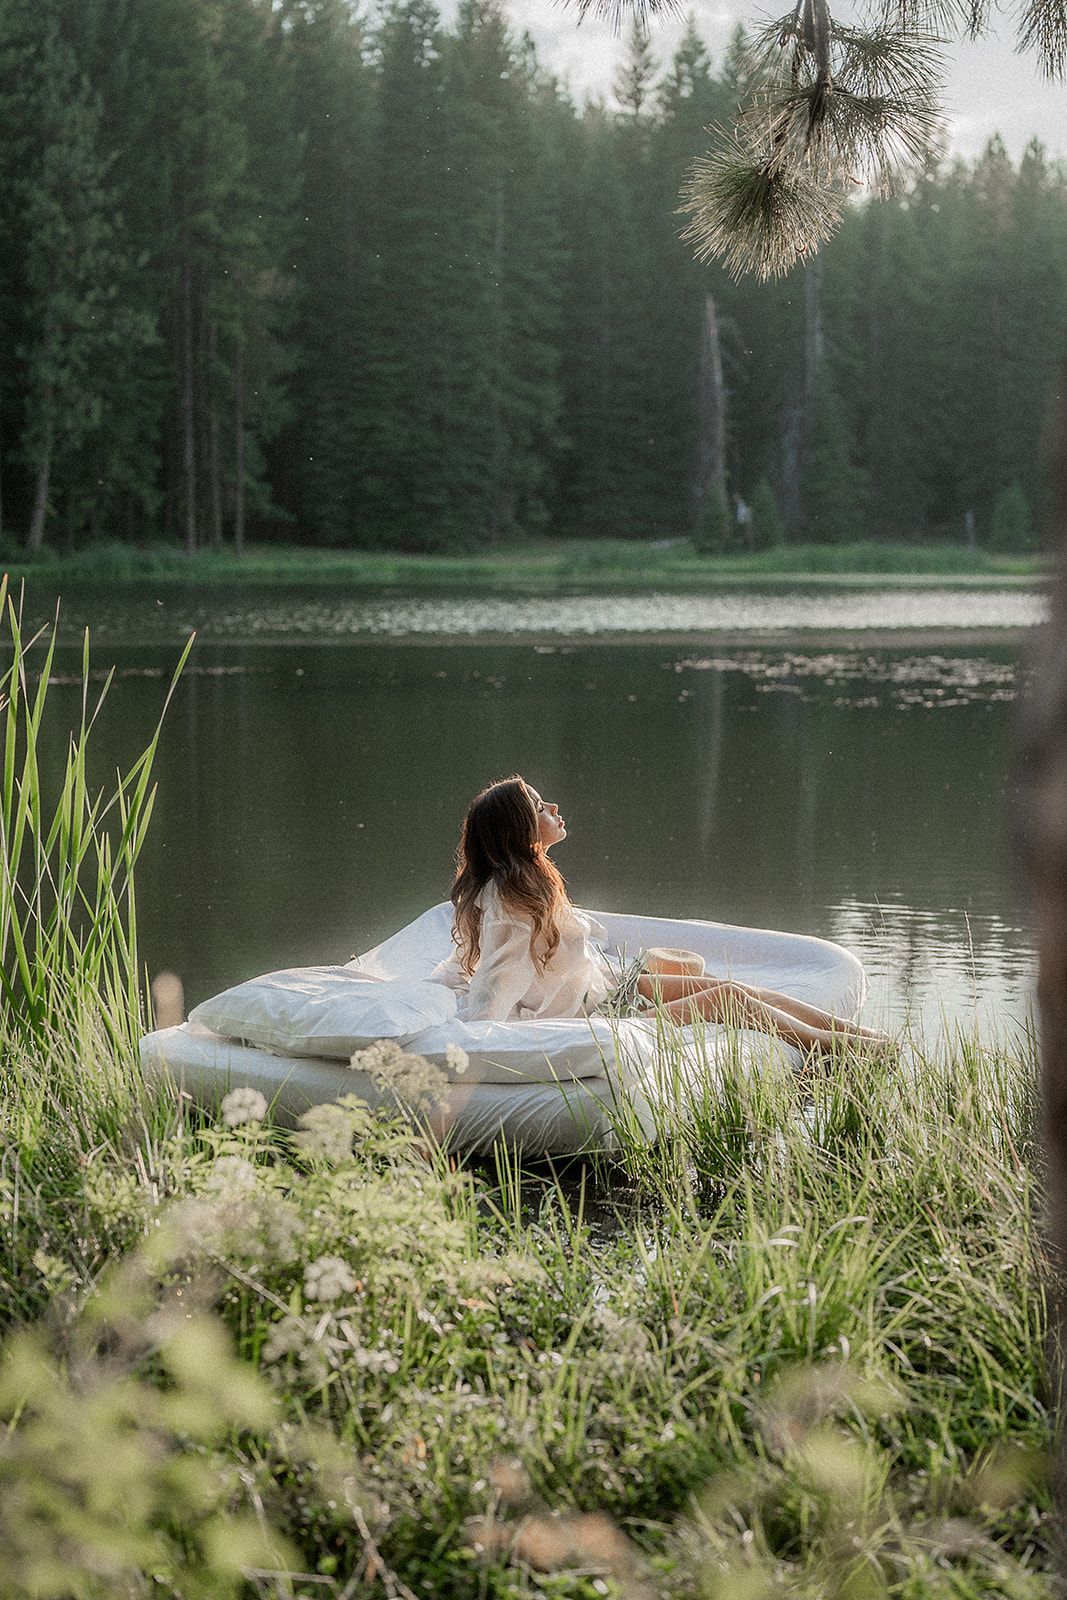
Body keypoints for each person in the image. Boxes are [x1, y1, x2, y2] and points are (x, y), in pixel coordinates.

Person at [430, 775, 891, 1057]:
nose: (553, 808)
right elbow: (495, 981)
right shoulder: (511, 903)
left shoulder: (532, 879)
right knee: (730, 998)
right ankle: (850, 1051)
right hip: (592, 1018)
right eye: (538, 806)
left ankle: (864, 1036)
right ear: (519, 831)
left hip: (605, 990)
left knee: (738, 988)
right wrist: (471, 1037)